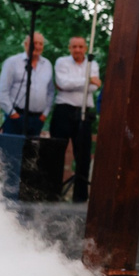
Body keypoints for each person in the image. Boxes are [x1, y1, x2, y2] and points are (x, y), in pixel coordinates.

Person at [51, 36, 100, 202]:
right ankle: (53, 193)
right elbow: (62, 83)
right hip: (64, 111)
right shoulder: (62, 62)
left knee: (83, 154)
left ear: (85, 48)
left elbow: (93, 88)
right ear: (69, 48)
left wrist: (78, 83)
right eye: (74, 47)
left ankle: (80, 197)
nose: (77, 50)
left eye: (80, 46)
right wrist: (87, 80)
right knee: (57, 151)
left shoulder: (92, 64)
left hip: (84, 112)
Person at [0, 32, 53, 136]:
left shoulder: (47, 64)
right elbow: (3, 91)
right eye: (34, 43)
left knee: (32, 147)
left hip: (37, 119)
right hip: (16, 117)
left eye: (40, 44)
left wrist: (45, 114)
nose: (37, 46)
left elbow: (50, 91)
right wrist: (12, 114)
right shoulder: (12, 62)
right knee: (12, 146)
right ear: (26, 44)